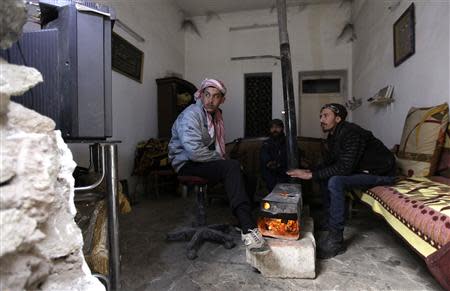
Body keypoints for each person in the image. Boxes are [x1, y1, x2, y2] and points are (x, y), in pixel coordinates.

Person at [168, 78, 269, 254]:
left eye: (215, 96)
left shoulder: (216, 116)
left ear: (222, 99)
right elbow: (194, 152)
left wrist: (227, 161)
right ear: (201, 95)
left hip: (202, 161)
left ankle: (240, 220)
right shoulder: (191, 114)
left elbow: (216, 148)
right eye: (207, 95)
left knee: (249, 176)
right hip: (187, 163)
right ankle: (248, 229)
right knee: (230, 167)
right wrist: (223, 161)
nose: (210, 100)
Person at [287, 103, 396, 259]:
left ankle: (336, 240)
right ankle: (328, 220)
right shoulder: (334, 136)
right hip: (363, 171)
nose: (321, 120)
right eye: (320, 116)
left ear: (338, 118)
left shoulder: (351, 133)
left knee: (335, 181)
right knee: (325, 176)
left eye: (326, 115)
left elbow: (343, 168)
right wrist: (310, 171)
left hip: (382, 174)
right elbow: (331, 164)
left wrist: (312, 175)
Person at [260, 119, 289, 192]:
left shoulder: (288, 142)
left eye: (277, 127)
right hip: (270, 171)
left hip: (284, 171)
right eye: (272, 127)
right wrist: (269, 162)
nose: (274, 129)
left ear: (282, 128)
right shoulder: (266, 143)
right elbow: (264, 156)